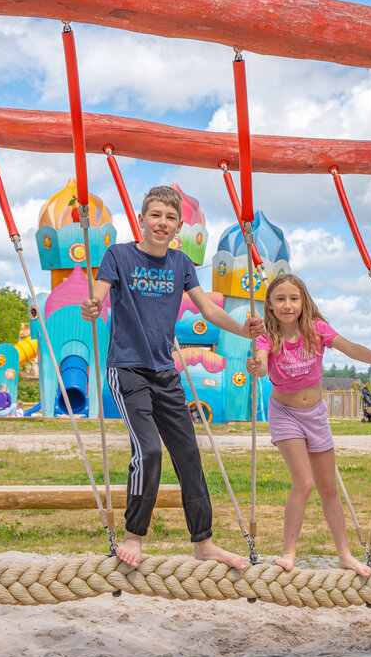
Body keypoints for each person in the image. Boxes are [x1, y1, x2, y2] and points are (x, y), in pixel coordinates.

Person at [82, 185, 263, 570]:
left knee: (189, 456)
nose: (161, 223)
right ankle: (134, 535)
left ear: (178, 225)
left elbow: (209, 312)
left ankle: (204, 543)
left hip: (165, 373)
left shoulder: (181, 264)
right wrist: (93, 305)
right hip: (127, 369)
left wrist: (243, 331)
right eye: (155, 215)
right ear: (142, 219)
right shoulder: (119, 255)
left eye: (169, 218)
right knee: (147, 451)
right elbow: (98, 293)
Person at [245, 273, 371, 577]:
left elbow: (351, 348)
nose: (287, 305)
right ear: (270, 304)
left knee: (329, 488)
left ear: (304, 302)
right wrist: (255, 366)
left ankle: (345, 554)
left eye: (293, 298)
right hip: (284, 413)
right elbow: (262, 365)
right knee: (304, 483)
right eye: (280, 299)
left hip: (315, 414)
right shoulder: (266, 337)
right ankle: (288, 552)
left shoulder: (317, 330)